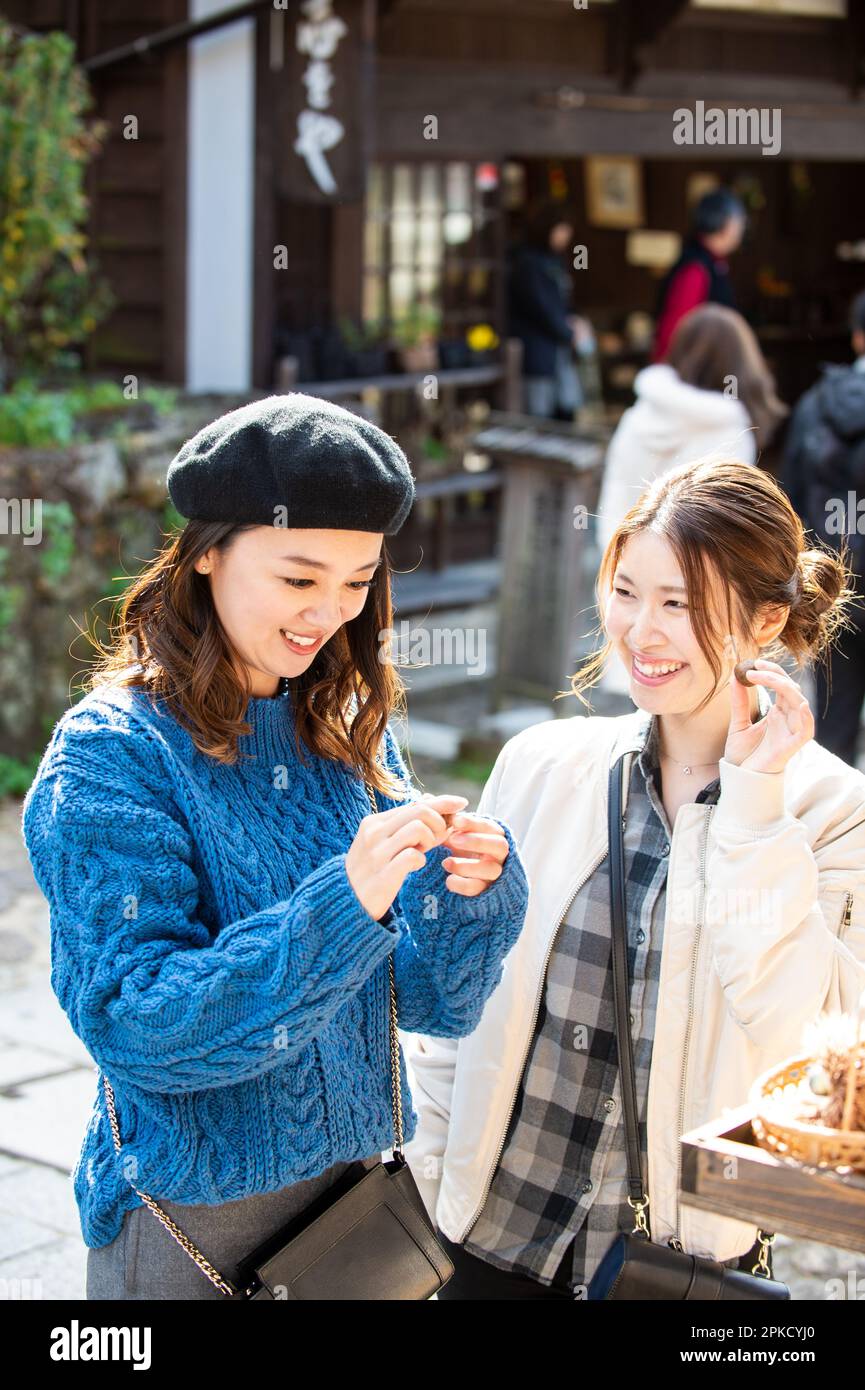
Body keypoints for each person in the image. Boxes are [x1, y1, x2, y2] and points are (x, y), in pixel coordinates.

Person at [21, 393, 530, 1301]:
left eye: (357, 580)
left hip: (356, 1210)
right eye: (299, 579)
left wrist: (468, 896)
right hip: (195, 1224)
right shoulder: (110, 756)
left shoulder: (346, 723)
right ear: (208, 552)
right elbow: (138, 1026)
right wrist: (344, 903)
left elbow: (424, 1005)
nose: (328, 613)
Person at [402, 456, 865, 1300]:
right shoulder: (540, 768)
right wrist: (431, 1172)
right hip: (489, 1243)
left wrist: (755, 808)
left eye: (679, 604)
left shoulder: (835, 812)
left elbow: (808, 1039)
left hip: (677, 1270)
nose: (639, 631)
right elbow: (457, 994)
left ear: (765, 620)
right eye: (626, 591)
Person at [597, 304, 788, 698]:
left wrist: (621, 578)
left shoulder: (638, 415)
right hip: (693, 595)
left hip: (626, 572)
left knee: (637, 688)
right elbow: (724, 533)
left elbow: (614, 490)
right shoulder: (732, 427)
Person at [780, 289, 865, 767]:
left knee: (832, 728)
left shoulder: (814, 405)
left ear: (857, 338)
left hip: (832, 584)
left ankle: (834, 834)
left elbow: (788, 500)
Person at [506, 199, 594, 419]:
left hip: (558, 354)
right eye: (561, 229)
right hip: (538, 354)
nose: (565, 235)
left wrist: (577, 320)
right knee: (540, 417)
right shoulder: (527, 263)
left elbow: (563, 304)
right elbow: (541, 308)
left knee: (565, 412)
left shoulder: (555, 261)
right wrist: (569, 333)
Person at [652, 188, 747, 364]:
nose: (741, 229)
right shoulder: (695, 270)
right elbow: (673, 332)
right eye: (739, 222)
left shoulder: (713, 264)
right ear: (726, 223)